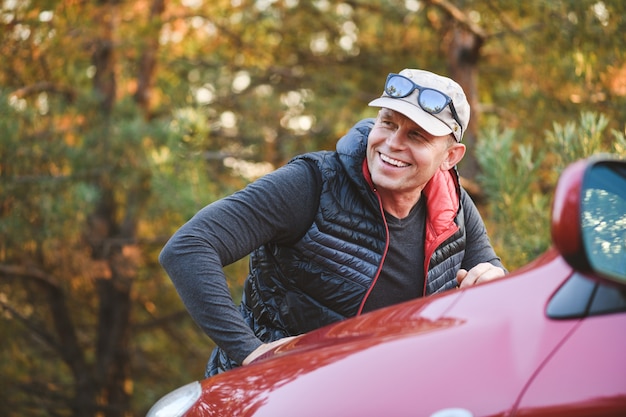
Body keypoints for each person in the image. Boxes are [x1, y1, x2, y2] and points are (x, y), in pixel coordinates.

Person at [159, 68, 506, 376]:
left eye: (417, 136)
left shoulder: (453, 206)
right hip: (270, 398)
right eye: (388, 122)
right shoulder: (312, 183)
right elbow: (189, 247)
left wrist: (494, 277)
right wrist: (250, 353)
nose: (393, 143)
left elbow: (486, 270)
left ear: (450, 156)